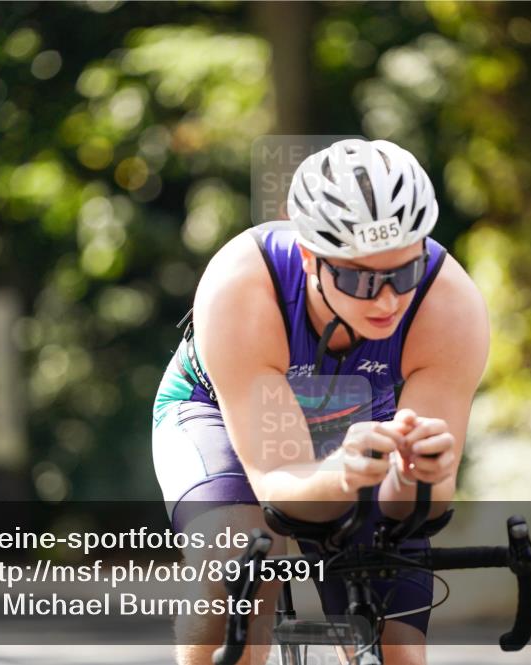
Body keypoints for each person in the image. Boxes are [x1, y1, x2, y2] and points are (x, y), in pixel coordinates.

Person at [151, 138, 490, 665]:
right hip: (217, 412)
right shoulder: (243, 285)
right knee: (236, 569)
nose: (388, 300)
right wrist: (346, 477)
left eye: (405, 273)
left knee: (397, 647)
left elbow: (417, 512)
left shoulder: (448, 305)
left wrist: (419, 475)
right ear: (311, 258)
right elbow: (280, 487)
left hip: (361, 421)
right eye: (360, 279)